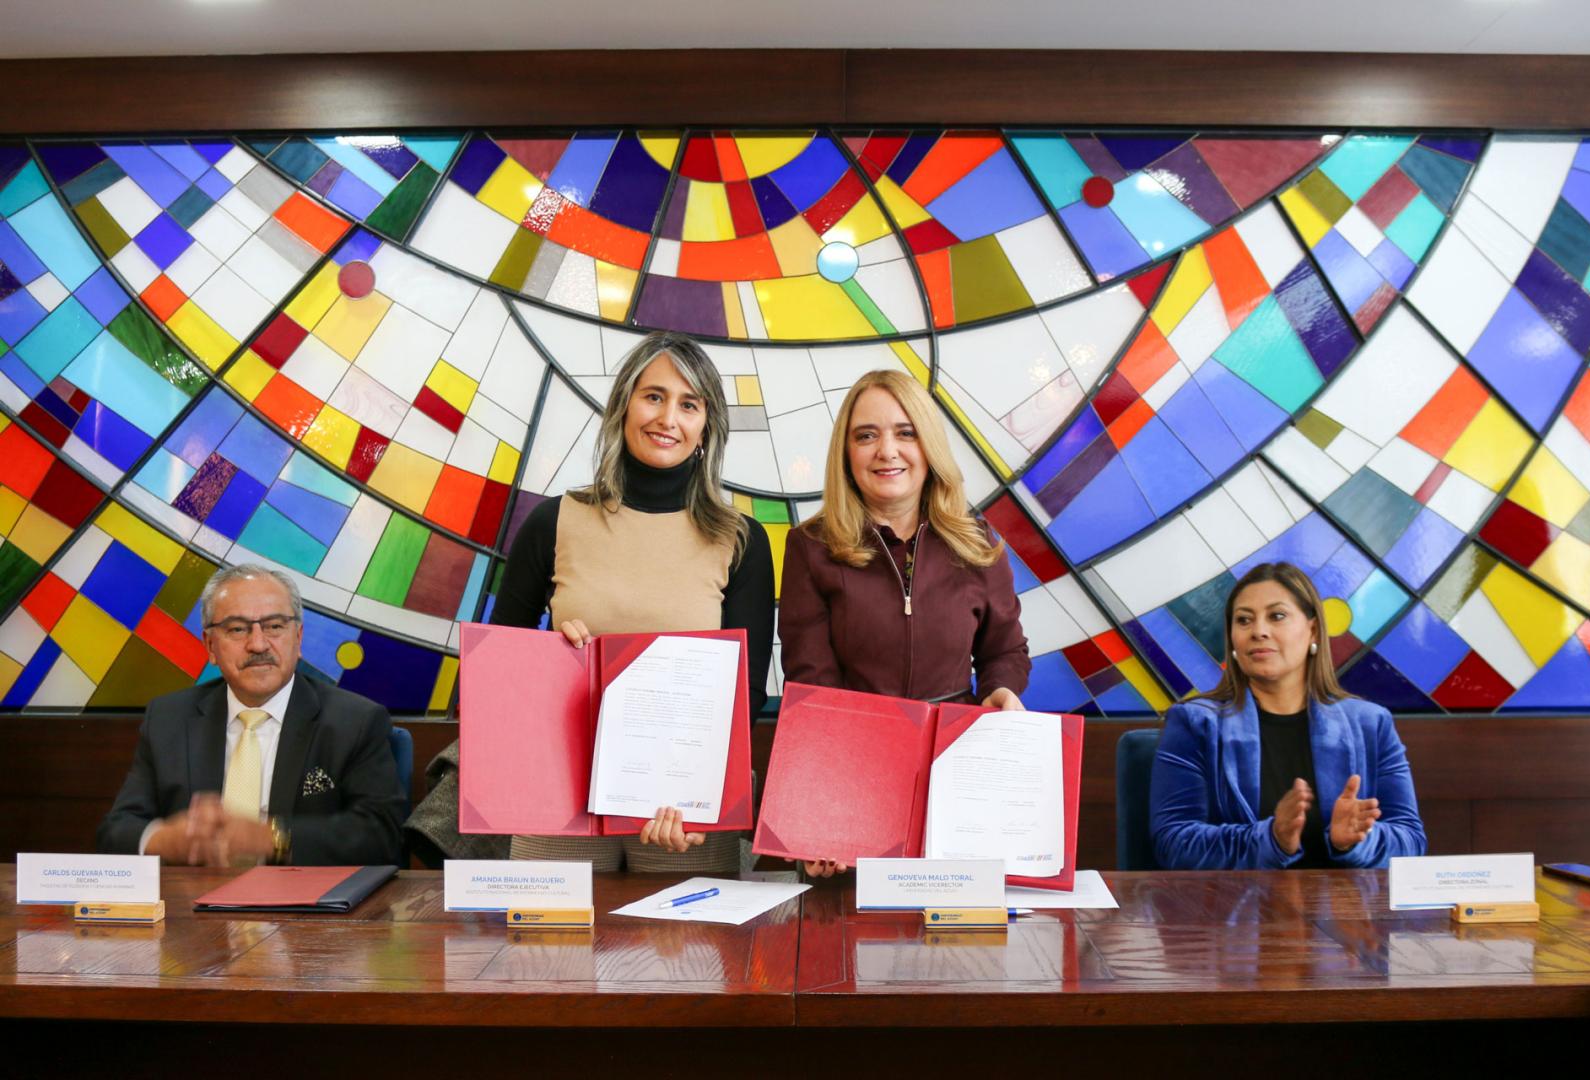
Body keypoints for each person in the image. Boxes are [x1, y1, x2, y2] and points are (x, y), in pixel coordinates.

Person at [406, 331, 775, 872]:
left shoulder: (740, 538)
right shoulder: (554, 520)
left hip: (678, 812)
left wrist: (700, 800)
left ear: (706, 428)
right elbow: (497, 671)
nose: (667, 417)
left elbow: (746, 694)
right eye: (653, 396)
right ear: (623, 405)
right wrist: (556, 661)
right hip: (557, 794)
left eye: (688, 404)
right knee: (548, 953)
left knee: (684, 955)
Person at [778, 369, 1031, 875]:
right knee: (850, 941)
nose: (886, 450)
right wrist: (824, 809)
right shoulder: (811, 547)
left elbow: (1005, 650)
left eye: (905, 432)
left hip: (958, 771)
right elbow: (812, 683)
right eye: (866, 435)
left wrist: (1002, 688)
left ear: (928, 445)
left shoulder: (977, 543)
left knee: (956, 946)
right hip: (854, 773)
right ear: (846, 454)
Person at [97, 564, 405, 866]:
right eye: (237, 629)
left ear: (297, 639)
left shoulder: (355, 722)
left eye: (274, 626)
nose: (258, 644)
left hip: (301, 910)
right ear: (210, 646)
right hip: (192, 907)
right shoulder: (169, 719)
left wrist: (271, 837)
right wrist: (166, 840)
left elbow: (381, 835)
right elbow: (116, 831)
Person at [1149, 562, 1425, 870]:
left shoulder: (1371, 724)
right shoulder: (1194, 724)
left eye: (1276, 616)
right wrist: (1272, 838)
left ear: (1313, 630)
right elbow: (1174, 844)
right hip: (1234, 913)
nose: (1259, 631)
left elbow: (1410, 841)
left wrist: (1355, 841)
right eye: (1244, 620)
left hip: (1347, 914)